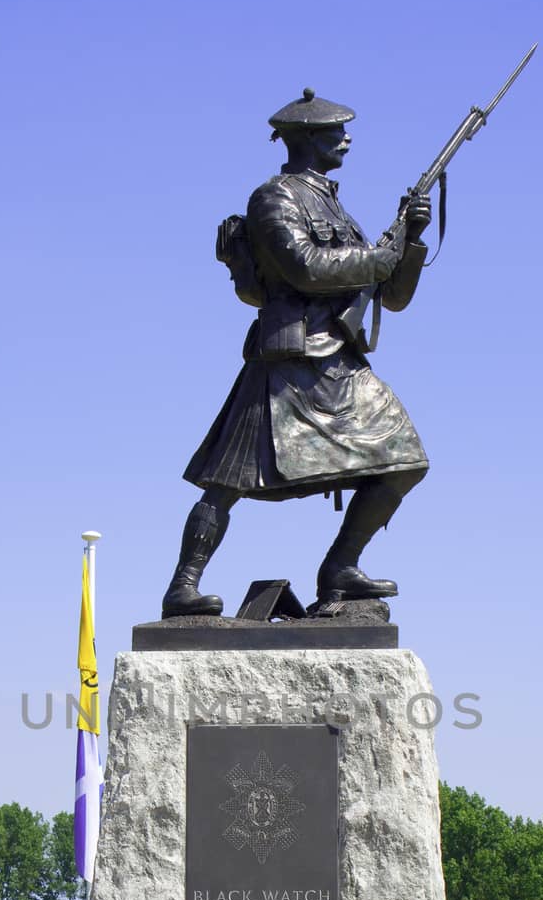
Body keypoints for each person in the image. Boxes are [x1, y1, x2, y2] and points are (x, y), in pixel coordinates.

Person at [162, 87, 432, 618]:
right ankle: (182, 588)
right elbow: (306, 267)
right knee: (226, 481)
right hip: (287, 360)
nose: (346, 139)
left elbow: (393, 299)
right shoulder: (275, 198)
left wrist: (412, 241)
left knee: (405, 461)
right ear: (307, 138)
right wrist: (379, 257)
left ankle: (340, 567)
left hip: (339, 360)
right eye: (336, 131)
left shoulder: (335, 204)